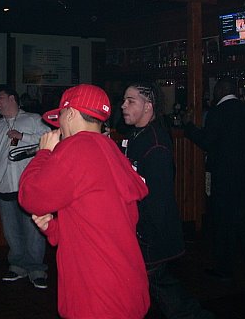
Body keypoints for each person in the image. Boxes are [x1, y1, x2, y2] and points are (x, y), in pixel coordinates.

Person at [19, 84, 150, 318]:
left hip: (97, 295)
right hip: (125, 285)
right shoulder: (111, 150)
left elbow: (30, 197)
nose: (58, 128)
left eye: (60, 118)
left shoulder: (76, 148)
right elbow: (107, 222)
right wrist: (53, 227)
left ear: (70, 113)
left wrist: (44, 153)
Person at [121, 82, 213, 318]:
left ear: (148, 106)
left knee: (163, 288)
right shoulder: (136, 135)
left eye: (131, 101)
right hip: (139, 229)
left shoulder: (155, 143)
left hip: (150, 233)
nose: (123, 106)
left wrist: (145, 233)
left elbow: (159, 197)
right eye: (124, 100)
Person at [184, 77, 245, 280]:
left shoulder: (217, 113)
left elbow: (207, 141)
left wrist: (189, 127)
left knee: (223, 224)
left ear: (220, 90)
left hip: (224, 178)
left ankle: (224, 269)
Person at [0, 87, 50, 288]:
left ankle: (36, 269)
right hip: (3, 187)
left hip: (30, 187)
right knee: (11, 232)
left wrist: (22, 136)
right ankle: (18, 265)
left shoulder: (34, 119)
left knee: (33, 230)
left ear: (12, 99)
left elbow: (50, 141)